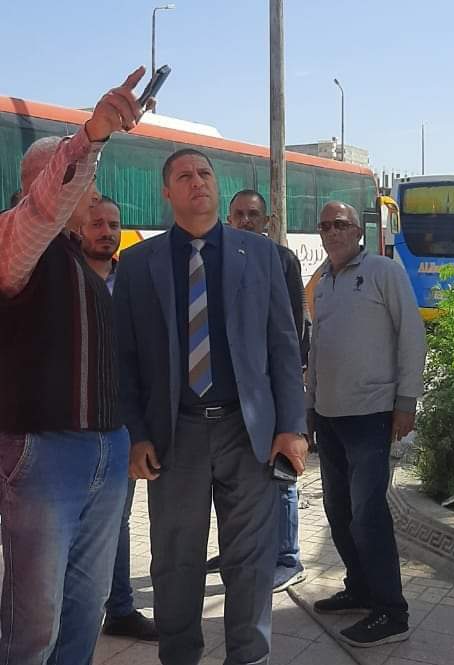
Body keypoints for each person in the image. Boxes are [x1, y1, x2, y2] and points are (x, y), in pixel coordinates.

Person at [113, 148, 307, 665]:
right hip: (175, 435)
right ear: (167, 192)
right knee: (175, 563)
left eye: (204, 173)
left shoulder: (260, 255)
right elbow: (123, 360)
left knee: (250, 563)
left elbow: (284, 346)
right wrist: (136, 435)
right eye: (184, 176)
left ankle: (249, 657)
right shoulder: (139, 264)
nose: (197, 181)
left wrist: (292, 426)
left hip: (249, 434)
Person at [0, 67, 146, 665]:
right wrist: (90, 137)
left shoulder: (82, 259)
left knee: (85, 610)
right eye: (82, 182)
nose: (91, 194)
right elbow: (43, 210)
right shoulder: (15, 238)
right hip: (44, 456)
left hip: (104, 453)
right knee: (34, 623)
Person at [306, 201, 426, 648]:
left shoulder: (383, 272)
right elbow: (317, 348)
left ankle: (392, 612)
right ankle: (360, 588)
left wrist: (406, 401)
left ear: (358, 231)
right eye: (325, 225)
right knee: (338, 512)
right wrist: (310, 407)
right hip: (330, 418)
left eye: (341, 224)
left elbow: (412, 334)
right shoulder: (324, 282)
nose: (332, 232)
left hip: (371, 416)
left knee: (369, 516)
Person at [206, 189, 306, 592]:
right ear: (228, 219)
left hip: (270, 390)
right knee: (234, 484)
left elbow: (291, 331)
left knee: (280, 471)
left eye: (253, 214)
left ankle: (287, 556)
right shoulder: (220, 261)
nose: (245, 220)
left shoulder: (281, 259)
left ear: (267, 222)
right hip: (234, 399)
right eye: (239, 214)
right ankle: (235, 549)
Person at [79, 196, 158, 641]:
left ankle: (120, 609)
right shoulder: (63, 276)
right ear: (79, 228)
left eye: (113, 224)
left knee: (116, 520)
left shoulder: (132, 281)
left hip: (120, 423)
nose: (106, 232)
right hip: (67, 424)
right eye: (97, 224)